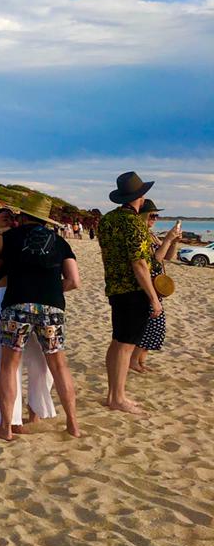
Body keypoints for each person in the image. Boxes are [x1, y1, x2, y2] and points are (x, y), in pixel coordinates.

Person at [0, 201, 81, 440]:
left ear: (23, 218)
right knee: (59, 366)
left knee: (9, 366)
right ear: (46, 221)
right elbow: (74, 280)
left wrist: (2, 233)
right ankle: (73, 425)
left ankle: (5, 428)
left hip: (17, 303)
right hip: (52, 306)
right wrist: (51, 293)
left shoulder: (13, 236)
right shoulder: (60, 241)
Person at [0, 207, 54, 432]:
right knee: (9, 364)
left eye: (13, 217)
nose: (12, 221)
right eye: (5, 218)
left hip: (33, 300)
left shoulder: (25, 240)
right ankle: (11, 420)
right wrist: (6, 291)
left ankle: (36, 412)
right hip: (9, 301)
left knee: (41, 362)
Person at [97, 171, 158, 414]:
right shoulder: (133, 223)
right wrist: (153, 297)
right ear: (140, 196)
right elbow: (139, 264)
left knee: (118, 342)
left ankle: (113, 394)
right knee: (125, 344)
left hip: (115, 287)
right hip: (133, 290)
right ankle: (118, 397)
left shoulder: (108, 220)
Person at [131, 200, 178, 374]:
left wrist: (173, 242)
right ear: (142, 215)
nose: (155, 218)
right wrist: (167, 239)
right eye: (152, 215)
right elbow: (153, 260)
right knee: (151, 324)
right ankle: (134, 360)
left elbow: (167, 257)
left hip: (154, 286)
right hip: (146, 285)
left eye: (157, 215)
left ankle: (140, 361)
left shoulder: (151, 235)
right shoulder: (141, 235)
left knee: (156, 326)